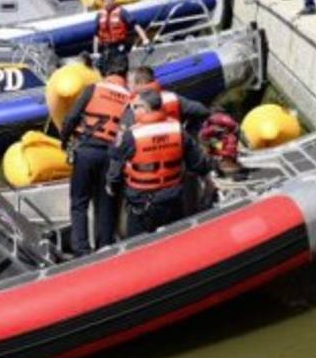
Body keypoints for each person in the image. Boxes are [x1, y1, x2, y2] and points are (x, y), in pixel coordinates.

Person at [107, 90, 212, 238]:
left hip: (141, 202)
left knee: (139, 243)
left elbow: (116, 163)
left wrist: (111, 184)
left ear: (146, 108)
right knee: (174, 239)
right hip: (172, 198)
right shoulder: (177, 129)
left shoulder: (132, 135)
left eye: (136, 107)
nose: (133, 111)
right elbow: (198, 163)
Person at [59, 57, 132, 255]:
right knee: (106, 204)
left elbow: (71, 118)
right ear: (125, 74)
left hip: (87, 150)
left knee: (79, 202)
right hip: (112, 156)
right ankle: (105, 248)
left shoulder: (93, 89)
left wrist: (64, 140)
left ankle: (81, 249)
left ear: (105, 72)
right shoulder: (130, 97)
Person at [126, 65, 210, 128]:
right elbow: (201, 110)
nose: (128, 86)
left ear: (140, 83)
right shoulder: (172, 97)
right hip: (175, 141)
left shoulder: (133, 106)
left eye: (130, 83)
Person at [94, 0, 149, 70]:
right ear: (102, 2)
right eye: (105, 1)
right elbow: (96, 35)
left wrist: (145, 39)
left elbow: (135, 25)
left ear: (114, 0)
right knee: (105, 70)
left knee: (120, 68)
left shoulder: (122, 12)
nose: (108, 3)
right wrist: (96, 52)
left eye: (110, 1)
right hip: (106, 48)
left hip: (119, 47)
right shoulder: (99, 15)